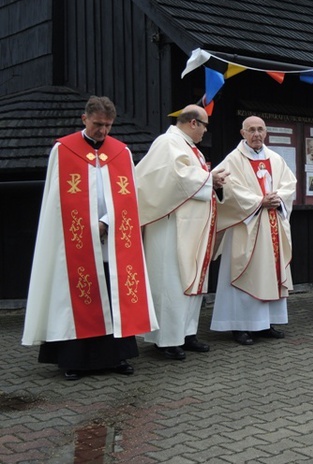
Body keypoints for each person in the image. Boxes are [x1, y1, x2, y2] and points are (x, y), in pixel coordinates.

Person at [22, 96, 158, 380]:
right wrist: (84, 225)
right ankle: (75, 360)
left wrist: (105, 222)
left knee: (113, 293)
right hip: (74, 242)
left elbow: (128, 199)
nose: (103, 131)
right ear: (84, 119)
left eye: (108, 126)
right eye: (98, 124)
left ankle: (117, 357)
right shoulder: (64, 150)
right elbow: (55, 200)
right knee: (79, 296)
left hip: (110, 239)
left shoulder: (121, 152)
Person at [136, 104, 230, 359]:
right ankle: (166, 340)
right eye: (205, 126)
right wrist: (210, 179)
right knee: (171, 283)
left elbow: (190, 178)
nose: (205, 132)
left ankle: (186, 334)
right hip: (170, 228)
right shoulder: (167, 143)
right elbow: (174, 178)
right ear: (193, 123)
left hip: (190, 228)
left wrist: (212, 180)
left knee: (190, 282)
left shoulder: (188, 147)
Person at [210, 116, 297, 345]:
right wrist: (259, 201)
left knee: (269, 273)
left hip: (271, 225)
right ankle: (239, 326)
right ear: (243, 133)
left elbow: (290, 184)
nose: (256, 134)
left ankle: (264, 324)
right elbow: (228, 189)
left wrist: (278, 199)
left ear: (266, 132)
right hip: (245, 226)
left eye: (260, 129)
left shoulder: (276, 158)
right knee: (244, 272)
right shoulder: (233, 159)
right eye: (251, 130)